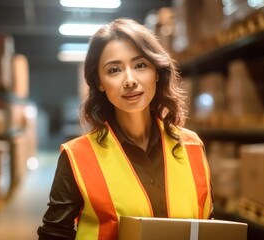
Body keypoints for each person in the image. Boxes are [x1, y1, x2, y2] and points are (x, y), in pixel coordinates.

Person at [37, 18, 213, 240]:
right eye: (114, 70)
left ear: (157, 72)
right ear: (100, 82)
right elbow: (54, 234)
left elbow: (206, 225)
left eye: (140, 65)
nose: (130, 80)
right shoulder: (78, 157)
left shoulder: (193, 147)